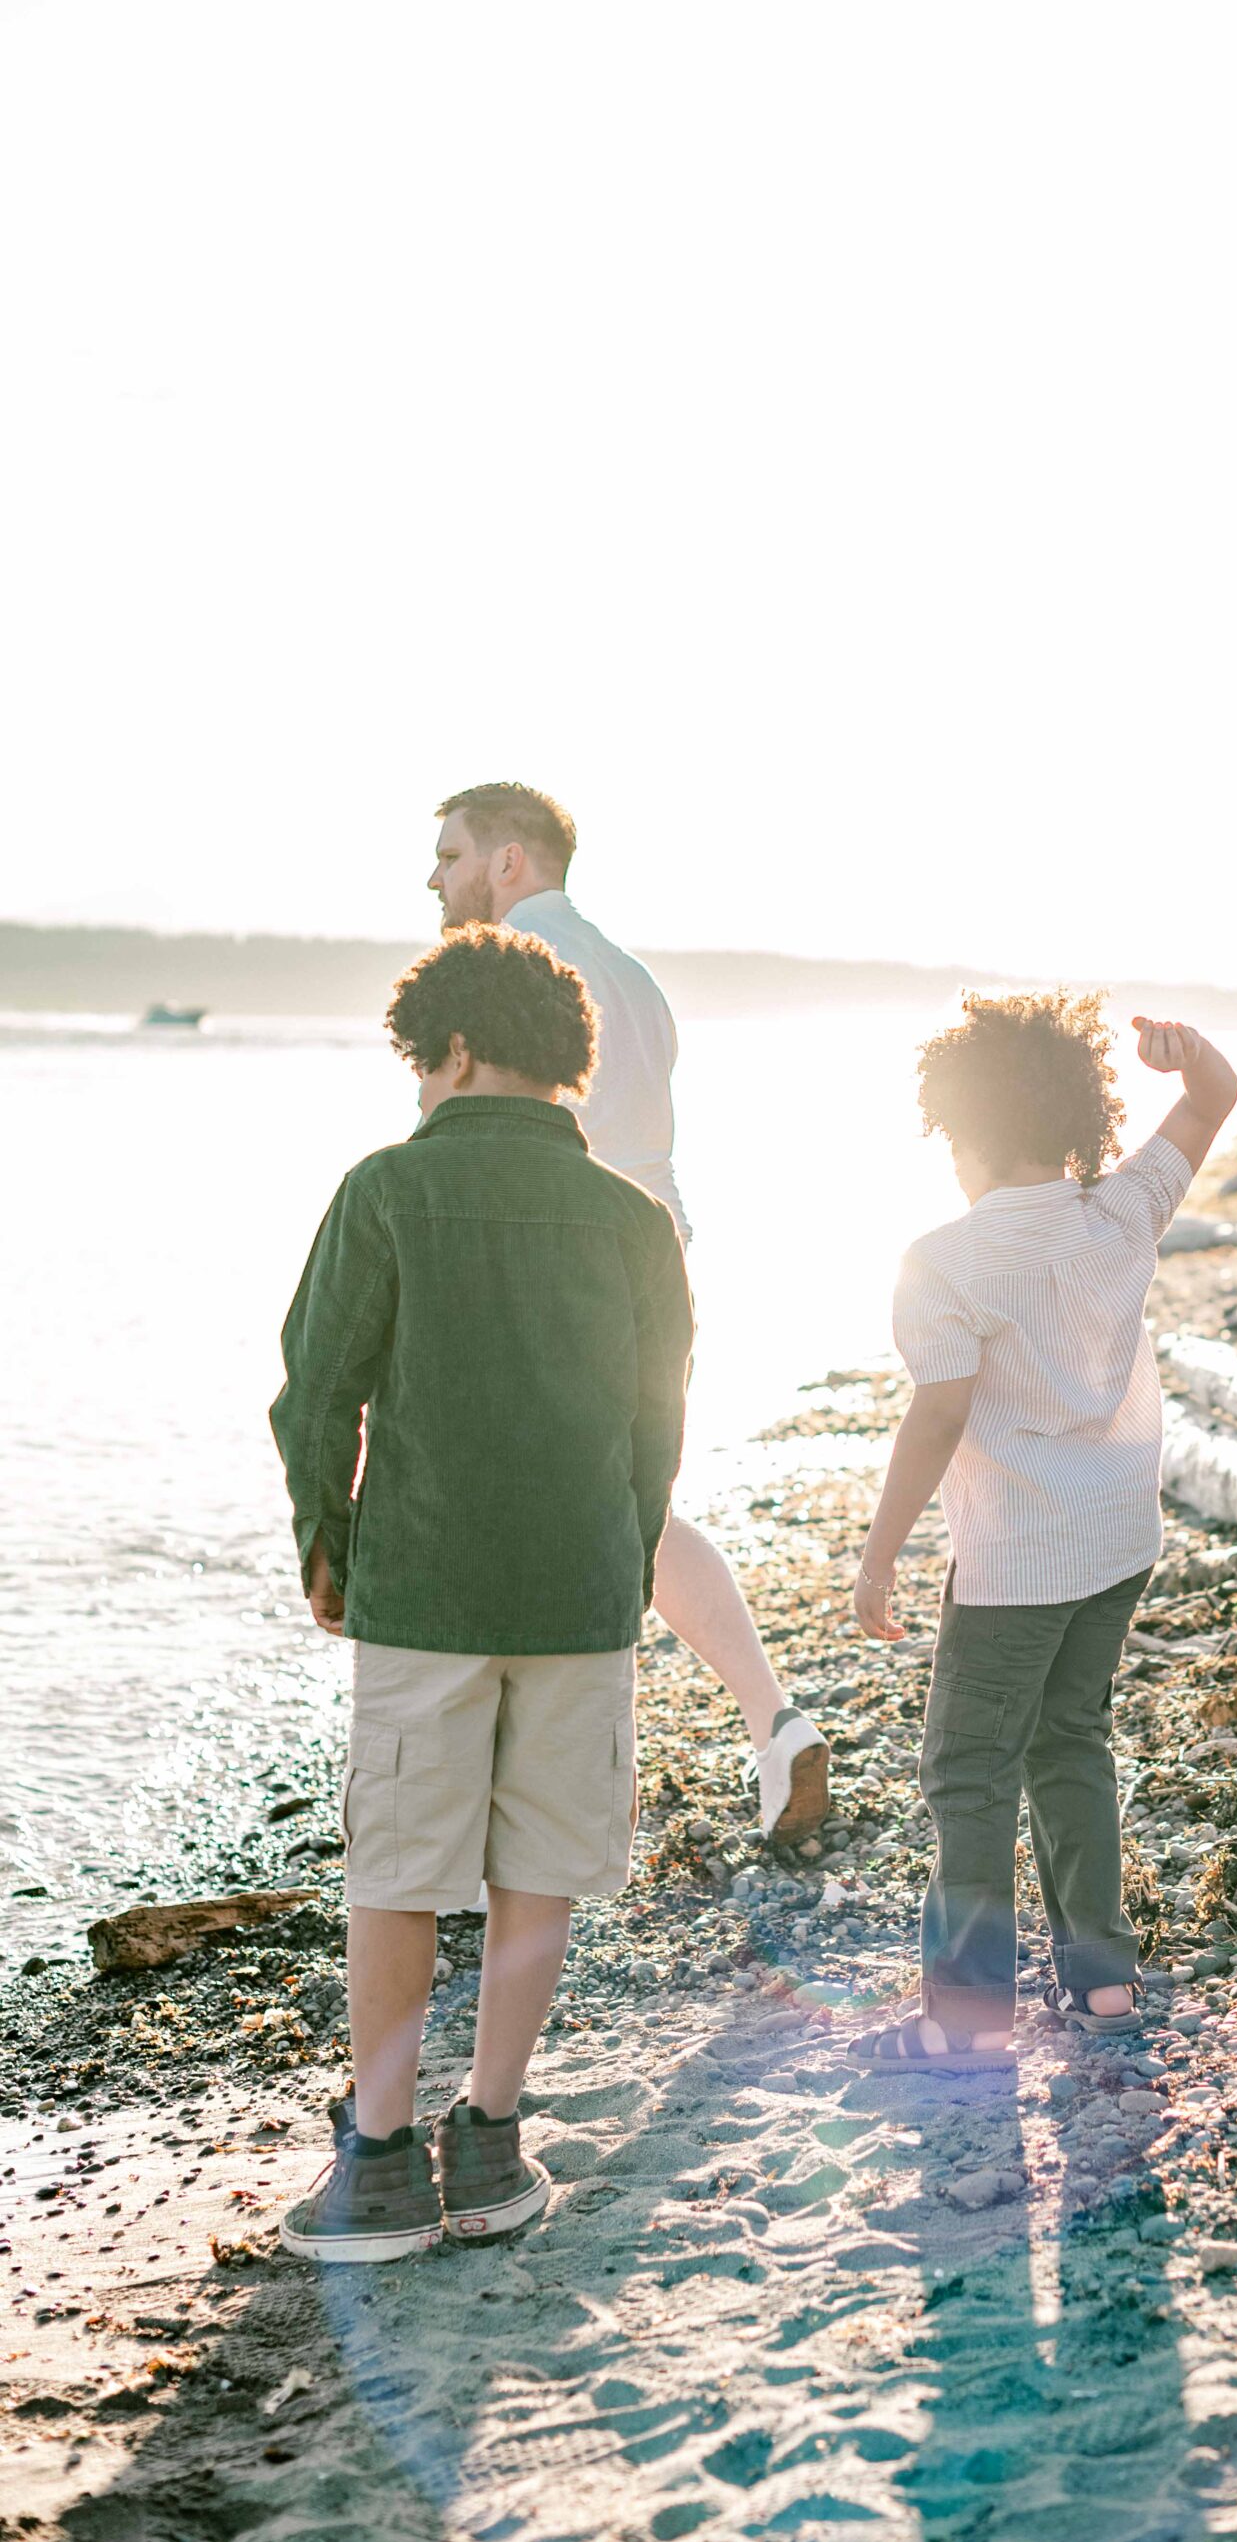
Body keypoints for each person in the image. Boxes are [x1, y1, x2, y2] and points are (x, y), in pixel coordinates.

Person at [269, 925, 693, 2260]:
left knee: (397, 1872)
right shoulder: (634, 1219)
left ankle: (382, 2163)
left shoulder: (387, 1192)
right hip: (576, 1597)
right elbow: (658, 1421)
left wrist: (325, 1539)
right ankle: (493, 2145)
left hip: (428, 1594)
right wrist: (622, 1560)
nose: (417, 1090)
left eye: (421, 1065)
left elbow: (315, 1394)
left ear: (455, 1049)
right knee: (536, 1872)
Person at [426, 783, 829, 1841]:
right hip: (659, 1246)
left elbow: (470, 1141)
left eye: (450, 853)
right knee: (628, 1501)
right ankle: (771, 1723)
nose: (435, 876)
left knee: (514, 1508)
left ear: (509, 862)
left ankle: (506, 1790)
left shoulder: (501, 974)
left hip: (555, 1258)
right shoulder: (637, 976)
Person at [846, 992, 1237, 2070]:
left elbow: (936, 1414)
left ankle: (966, 2017)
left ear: (956, 1127)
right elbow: (1214, 1099)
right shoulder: (1119, 1210)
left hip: (1015, 1558)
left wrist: (879, 1554)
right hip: (1115, 1541)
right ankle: (1102, 1985)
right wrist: (1179, 1054)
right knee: (1069, 1742)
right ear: (1074, 1111)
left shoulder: (945, 1260)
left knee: (968, 1770)